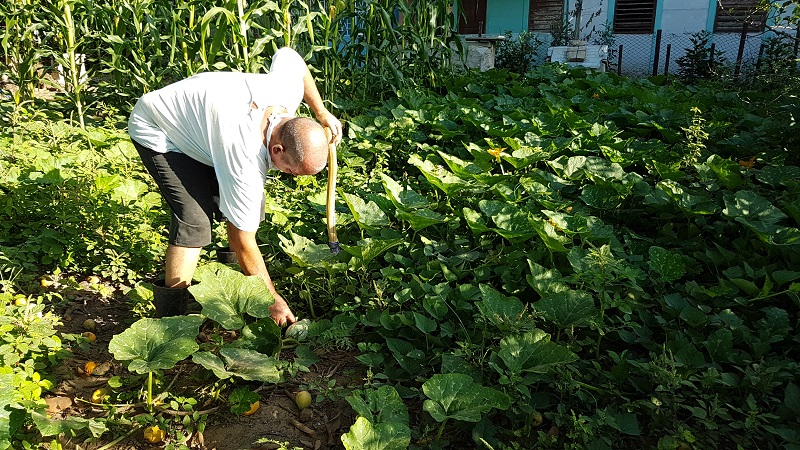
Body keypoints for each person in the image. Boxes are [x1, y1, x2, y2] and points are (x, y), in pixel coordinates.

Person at [128, 47, 342, 325]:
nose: (290, 177)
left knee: (250, 207)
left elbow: (292, 58)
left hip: (206, 128)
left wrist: (321, 111)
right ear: (276, 149)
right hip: (161, 129)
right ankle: (171, 319)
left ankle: (232, 291)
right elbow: (242, 239)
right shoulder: (244, 157)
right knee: (195, 220)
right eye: (291, 170)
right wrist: (273, 300)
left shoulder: (284, 91)